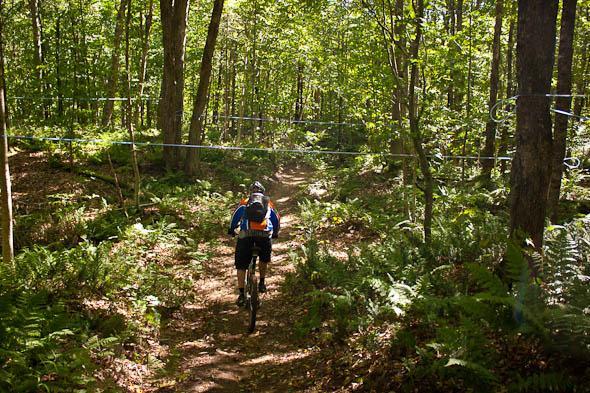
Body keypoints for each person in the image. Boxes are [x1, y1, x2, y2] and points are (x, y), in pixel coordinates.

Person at [227, 181, 280, 306]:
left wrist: (231, 230)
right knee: (264, 259)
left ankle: (241, 295)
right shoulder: (268, 202)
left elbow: (234, 218)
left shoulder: (245, 202)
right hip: (264, 236)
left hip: (246, 235)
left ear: (251, 192)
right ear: (263, 192)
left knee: (241, 265)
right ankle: (261, 283)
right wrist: (276, 232)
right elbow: (276, 219)